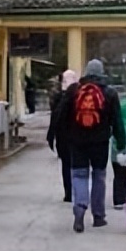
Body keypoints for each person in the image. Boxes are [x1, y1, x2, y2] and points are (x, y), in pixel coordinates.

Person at [51, 58, 125, 232]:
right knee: (99, 177)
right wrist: (120, 142)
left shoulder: (73, 91)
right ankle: (98, 216)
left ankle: (79, 209)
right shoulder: (110, 93)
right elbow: (117, 121)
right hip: (100, 142)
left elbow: (60, 115)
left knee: (78, 175)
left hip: (77, 142)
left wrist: (60, 137)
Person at [46, 69, 77, 202]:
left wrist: (51, 135)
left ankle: (68, 193)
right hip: (78, 135)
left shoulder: (59, 97)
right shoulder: (80, 95)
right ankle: (79, 191)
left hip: (63, 135)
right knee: (78, 165)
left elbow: (55, 117)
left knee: (66, 165)